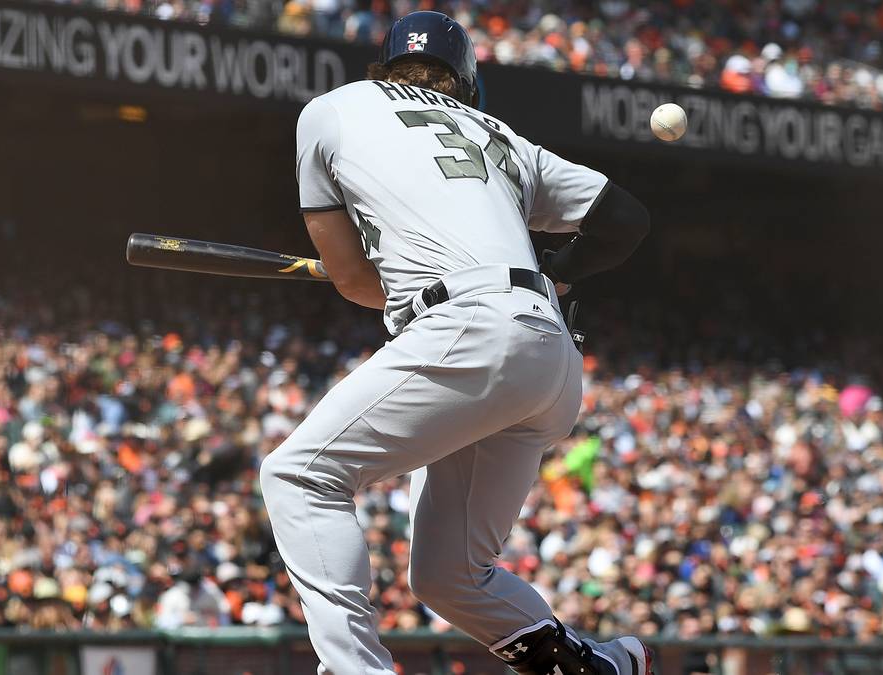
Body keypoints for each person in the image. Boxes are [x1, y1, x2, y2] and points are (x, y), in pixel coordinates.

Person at [258, 10, 651, 675]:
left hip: (468, 329)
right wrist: (555, 271)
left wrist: (389, 273)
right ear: (465, 82)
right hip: (549, 350)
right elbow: (624, 219)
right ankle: (595, 666)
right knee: (450, 574)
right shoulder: (501, 134)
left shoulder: (334, 109)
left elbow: (354, 280)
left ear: (384, 68)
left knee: (300, 474)